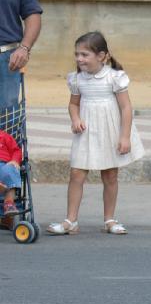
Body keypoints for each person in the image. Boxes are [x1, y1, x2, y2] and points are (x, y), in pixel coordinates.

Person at [47, 32, 144, 235]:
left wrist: (124, 136)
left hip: (110, 131)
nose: (79, 59)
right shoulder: (77, 79)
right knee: (76, 173)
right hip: (86, 132)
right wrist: (75, 119)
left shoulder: (114, 77)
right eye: (77, 54)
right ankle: (70, 220)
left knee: (110, 175)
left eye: (84, 54)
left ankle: (109, 219)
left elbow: (126, 108)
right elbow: (73, 104)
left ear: (101, 56)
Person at [0, 129, 22, 215]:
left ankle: (9, 202)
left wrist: (15, 160)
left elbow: (16, 151)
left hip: (5, 164)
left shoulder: (5, 137)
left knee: (11, 169)